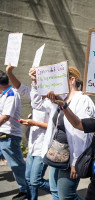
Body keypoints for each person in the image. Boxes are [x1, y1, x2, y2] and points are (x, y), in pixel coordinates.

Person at [29, 66, 95, 200]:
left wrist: (75, 162)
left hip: (71, 156)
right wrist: (36, 83)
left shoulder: (83, 99)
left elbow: (82, 133)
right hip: (57, 153)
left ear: (72, 80)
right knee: (55, 191)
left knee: (66, 196)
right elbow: (37, 104)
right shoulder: (61, 99)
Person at [6, 63, 51, 200]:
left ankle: (61, 190)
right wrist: (10, 73)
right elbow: (20, 87)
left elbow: (53, 126)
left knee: (35, 181)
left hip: (43, 147)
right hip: (33, 146)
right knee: (28, 179)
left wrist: (33, 123)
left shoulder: (53, 102)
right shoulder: (36, 97)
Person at [0, 69, 28, 200]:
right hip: (3, 136)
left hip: (8, 137)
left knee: (17, 166)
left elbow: (5, 116)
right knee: (18, 166)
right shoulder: (4, 94)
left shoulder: (11, 94)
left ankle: (26, 191)